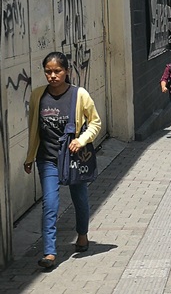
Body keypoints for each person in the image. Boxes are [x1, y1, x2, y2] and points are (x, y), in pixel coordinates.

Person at [24, 51, 102, 269]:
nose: (52, 76)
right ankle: (49, 252)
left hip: (73, 157)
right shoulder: (38, 95)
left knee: (80, 198)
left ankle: (83, 234)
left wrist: (82, 139)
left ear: (66, 71)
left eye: (57, 71)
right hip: (47, 159)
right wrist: (30, 156)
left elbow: (96, 123)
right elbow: (33, 129)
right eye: (48, 71)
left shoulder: (80, 95)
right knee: (50, 203)